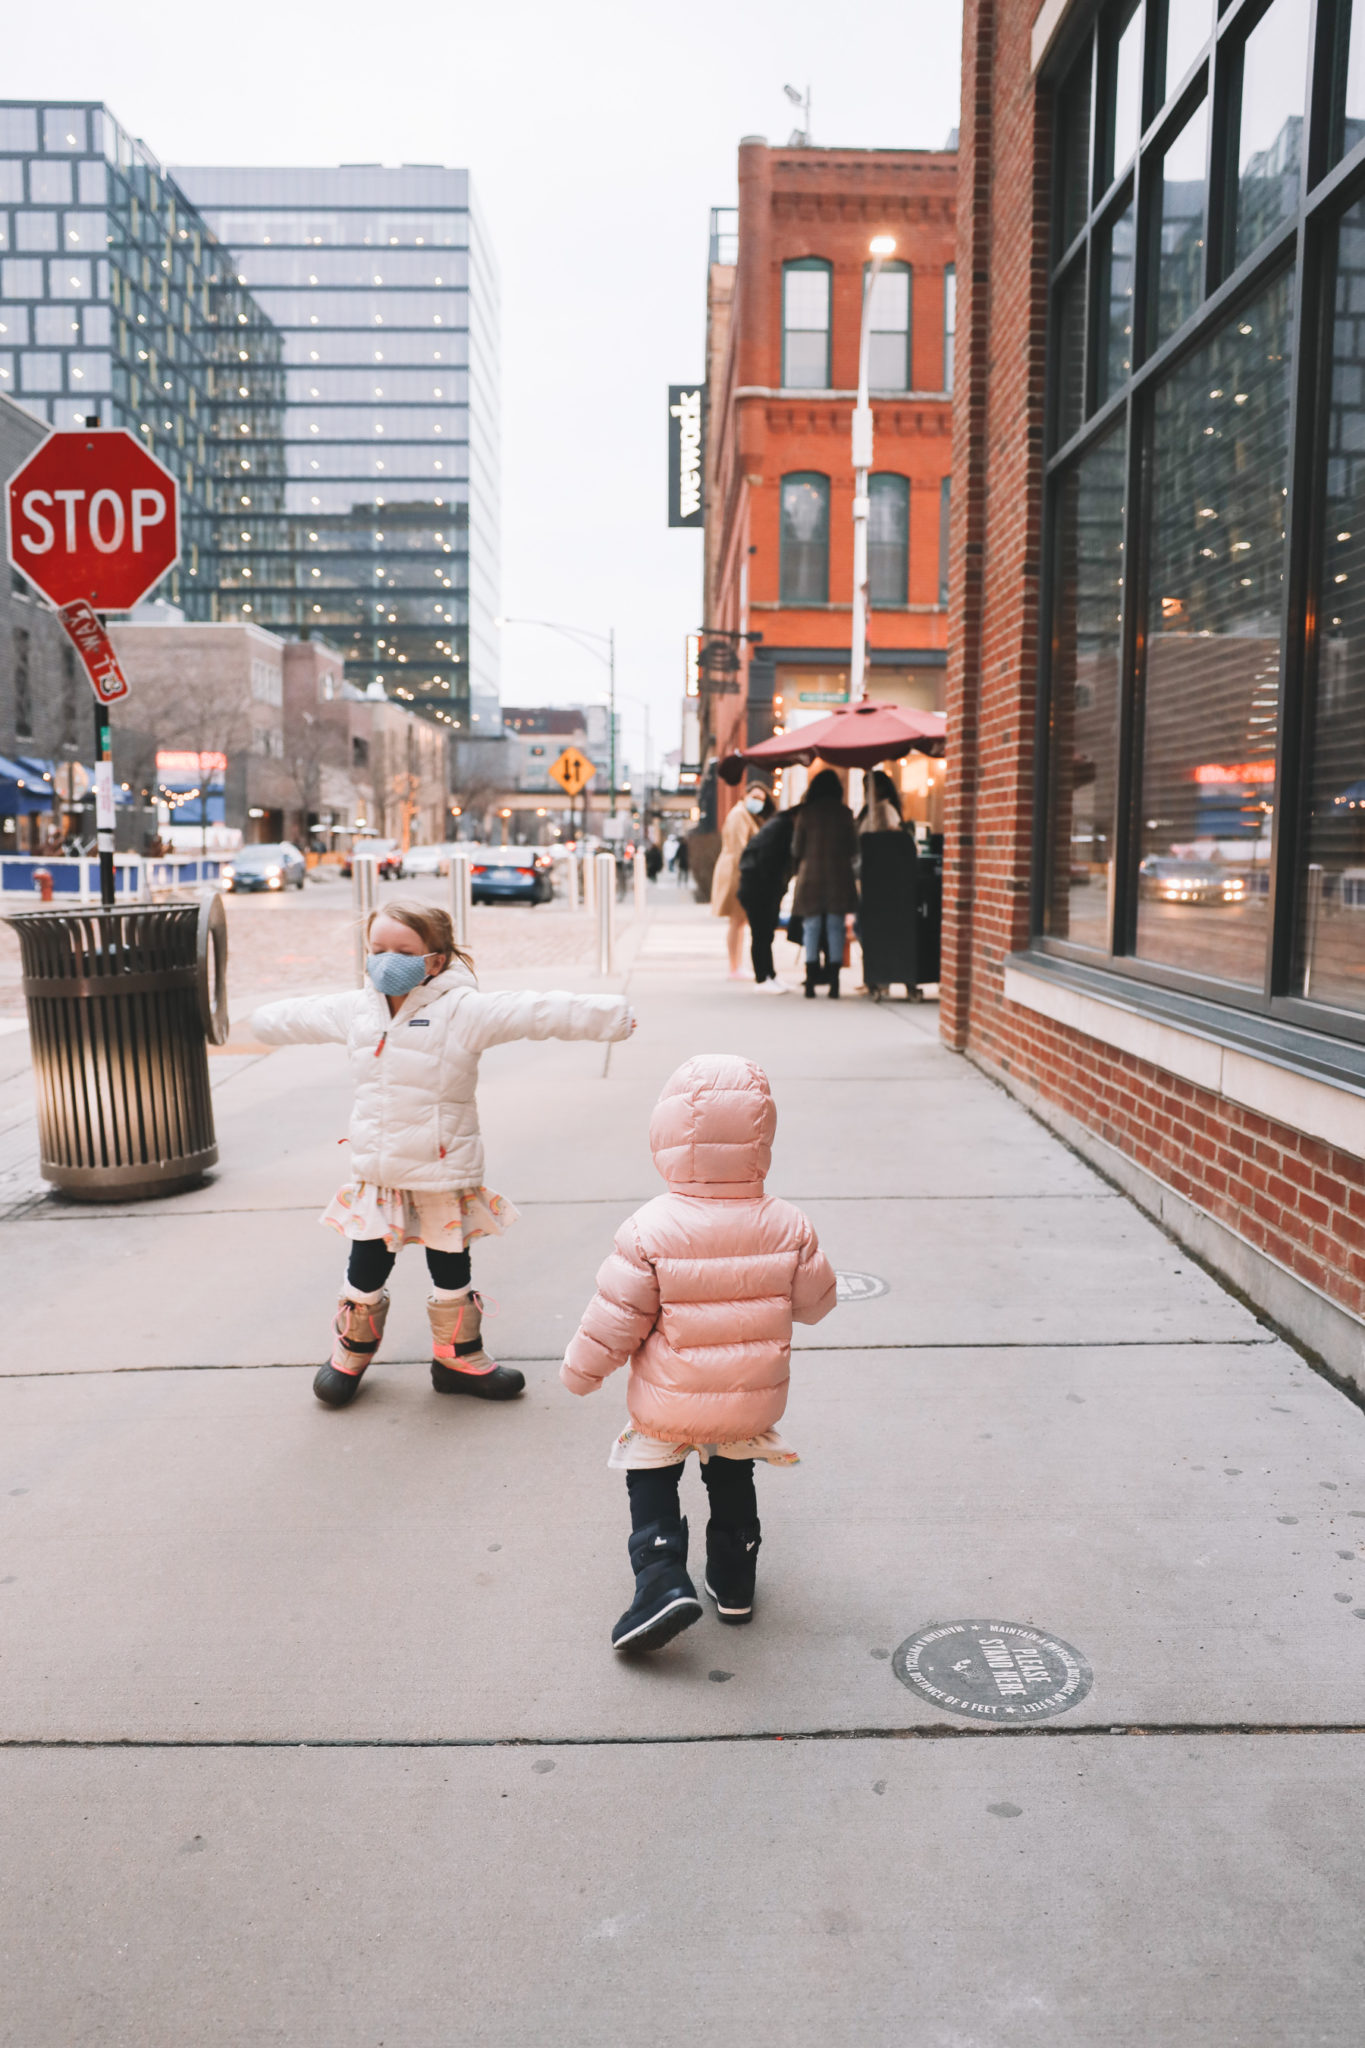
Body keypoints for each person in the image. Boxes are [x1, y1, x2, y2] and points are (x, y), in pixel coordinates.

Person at [250, 899, 634, 1410]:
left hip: (442, 1166)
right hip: (380, 1170)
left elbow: (534, 1010)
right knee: (367, 1263)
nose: (387, 960)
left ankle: (458, 1355)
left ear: (434, 959)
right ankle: (353, 1347)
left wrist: (611, 1016)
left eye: (403, 951)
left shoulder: (462, 1010)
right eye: (377, 949)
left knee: (450, 1264)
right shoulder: (358, 1008)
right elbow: (301, 1015)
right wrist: (261, 1022)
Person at [561, 1054, 838, 1651]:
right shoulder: (789, 1224)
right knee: (732, 1476)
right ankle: (734, 1579)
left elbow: (615, 1321)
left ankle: (661, 1577)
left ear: (666, 1137)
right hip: (748, 1403)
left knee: (650, 1471)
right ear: (761, 1138)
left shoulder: (648, 1228)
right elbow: (817, 1304)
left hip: (668, 1400)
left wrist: (580, 1374)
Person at [790, 768, 858, 999]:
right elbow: (853, 849)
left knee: (811, 927)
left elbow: (796, 849)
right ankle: (834, 982)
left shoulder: (806, 814)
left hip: (811, 877)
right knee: (835, 928)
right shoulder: (845, 814)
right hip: (838, 877)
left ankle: (810, 980)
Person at [738, 799, 797, 990]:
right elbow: (768, 860)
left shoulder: (778, 825)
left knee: (765, 933)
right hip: (759, 887)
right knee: (761, 933)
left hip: (761, 886)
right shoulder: (780, 828)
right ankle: (763, 978)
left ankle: (769, 974)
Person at [710, 785, 767, 977]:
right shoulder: (739, 815)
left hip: (737, 870)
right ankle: (734, 966)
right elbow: (739, 848)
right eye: (755, 796)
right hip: (736, 872)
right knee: (737, 920)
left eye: (762, 798)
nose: (758, 801)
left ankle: (736, 965)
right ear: (746, 795)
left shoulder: (743, 815)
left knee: (740, 921)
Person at [856, 768, 904, 835]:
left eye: (868, 787)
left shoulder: (884, 810)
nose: (866, 792)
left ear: (882, 788)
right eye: (865, 788)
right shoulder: (870, 810)